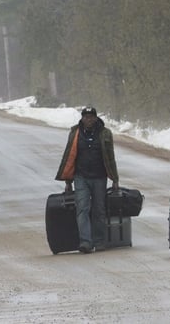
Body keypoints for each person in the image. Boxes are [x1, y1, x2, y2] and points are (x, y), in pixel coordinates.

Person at [55, 106, 119, 253]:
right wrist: (67, 182)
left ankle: (99, 241)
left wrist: (115, 179)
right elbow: (68, 157)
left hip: (100, 177)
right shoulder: (75, 133)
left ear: (96, 118)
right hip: (80, 177)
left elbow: (111, 158)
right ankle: (86, 242)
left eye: (91, 117)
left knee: (99, 210)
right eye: (86, 117)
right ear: (82, 118)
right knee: (82, 209)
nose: (89, 119)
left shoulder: (105, 133)